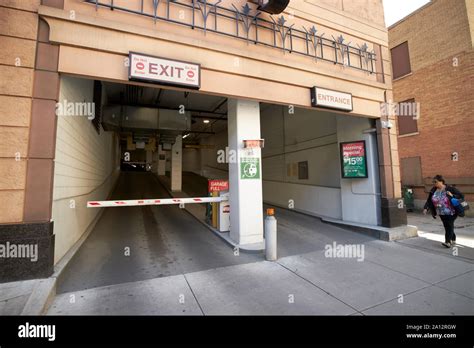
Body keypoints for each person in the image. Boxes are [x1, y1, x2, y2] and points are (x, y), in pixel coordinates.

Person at [423, 175, 464, 248]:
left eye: (435, 182)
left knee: (449, 225)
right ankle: (453, 238)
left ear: (441, 181)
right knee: (447, 226)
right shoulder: (433, 190)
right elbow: (429, 200)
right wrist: (426, 208)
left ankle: (447, 242)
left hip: (452, 211)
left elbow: (461, 196)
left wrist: (453, 195)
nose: (434, 183)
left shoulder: (449, 188)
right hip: (441, 212)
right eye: (433, 182)